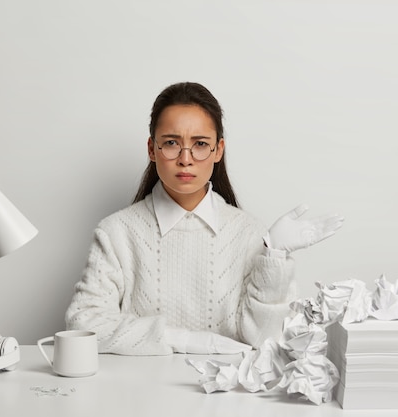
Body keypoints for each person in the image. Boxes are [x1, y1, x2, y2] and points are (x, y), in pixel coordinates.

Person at [65, 82, 343, 355]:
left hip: (229, 397)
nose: (186, 159)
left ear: (218, 150)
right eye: (172, 143)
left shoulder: (249, 233)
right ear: (152, 149)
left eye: (200, 144)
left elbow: (266, 341)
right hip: (138, 394)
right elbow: (84, 323)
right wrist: (183, 341)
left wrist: (275, 258)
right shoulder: (116, 232)